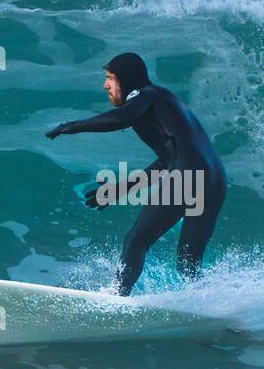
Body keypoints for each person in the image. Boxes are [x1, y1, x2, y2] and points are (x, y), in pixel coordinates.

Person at [46, 52, 227, 295]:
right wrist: (120, 190)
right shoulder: (162, 101)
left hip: (189, 174)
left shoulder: (143, 95)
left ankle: (117, 299)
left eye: (111, 78)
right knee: (188, 262)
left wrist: (74, 126)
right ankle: (210, 304)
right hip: (214, 178)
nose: (105, 85)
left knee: (137, 239)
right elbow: (168, 160)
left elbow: (122, 117)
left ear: (127, 80)